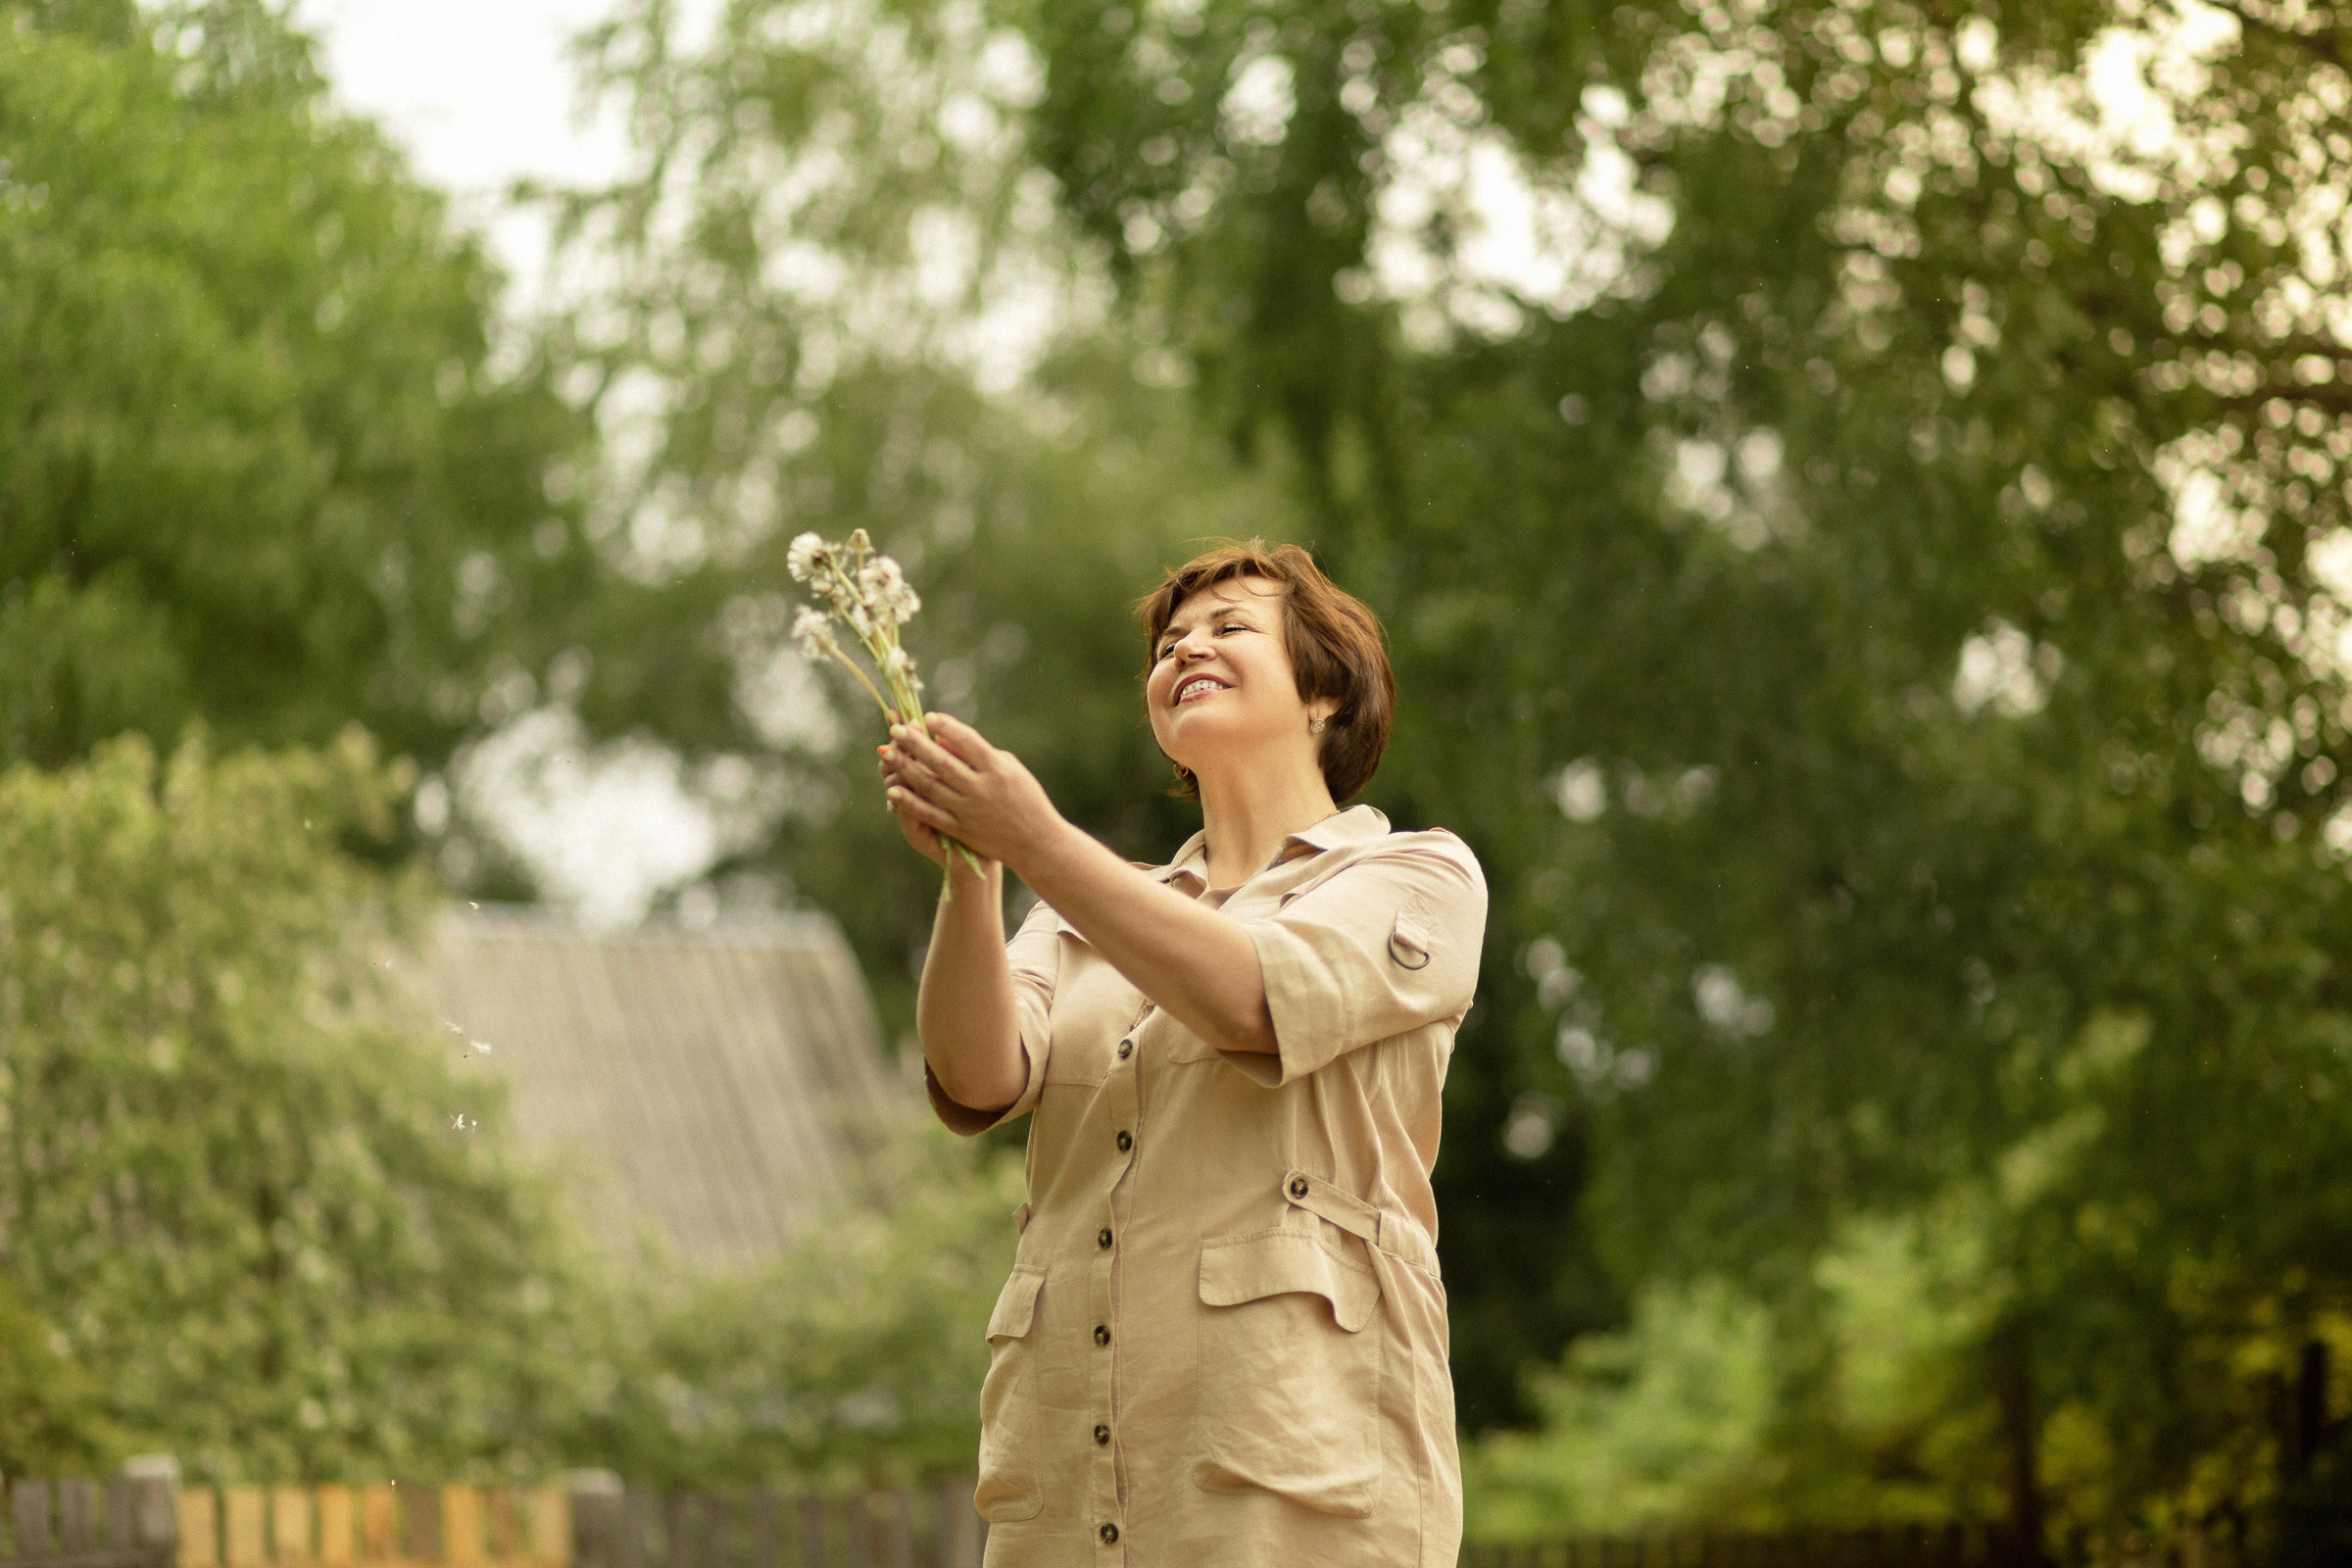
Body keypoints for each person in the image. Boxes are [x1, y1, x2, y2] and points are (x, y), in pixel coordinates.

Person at [878, 540, 1488, 1568]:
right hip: (1064, 1497)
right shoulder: (1075, 912)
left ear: (1325, 694)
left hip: (1298, 1494)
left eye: (1228, 628)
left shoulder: (1416, 874)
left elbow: (1250, 996)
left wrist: (1034, 842)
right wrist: (972, 875)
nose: (1184, 650)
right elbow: (975, 1078)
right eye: (1169, 644)